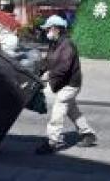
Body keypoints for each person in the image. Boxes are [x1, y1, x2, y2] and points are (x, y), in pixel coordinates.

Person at [36, 14, 97, 154]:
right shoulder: (55, 43)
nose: (46, 31)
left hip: (70, 84)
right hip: (63, 83)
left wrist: (49, 75)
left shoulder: (67, 44)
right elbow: (48, 61)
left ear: (57, 29)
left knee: (59, 107)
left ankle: (52, 141)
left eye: (48, 29)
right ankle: (88, 134)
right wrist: (38, 71)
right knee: (72, 110)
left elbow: (64, 67)